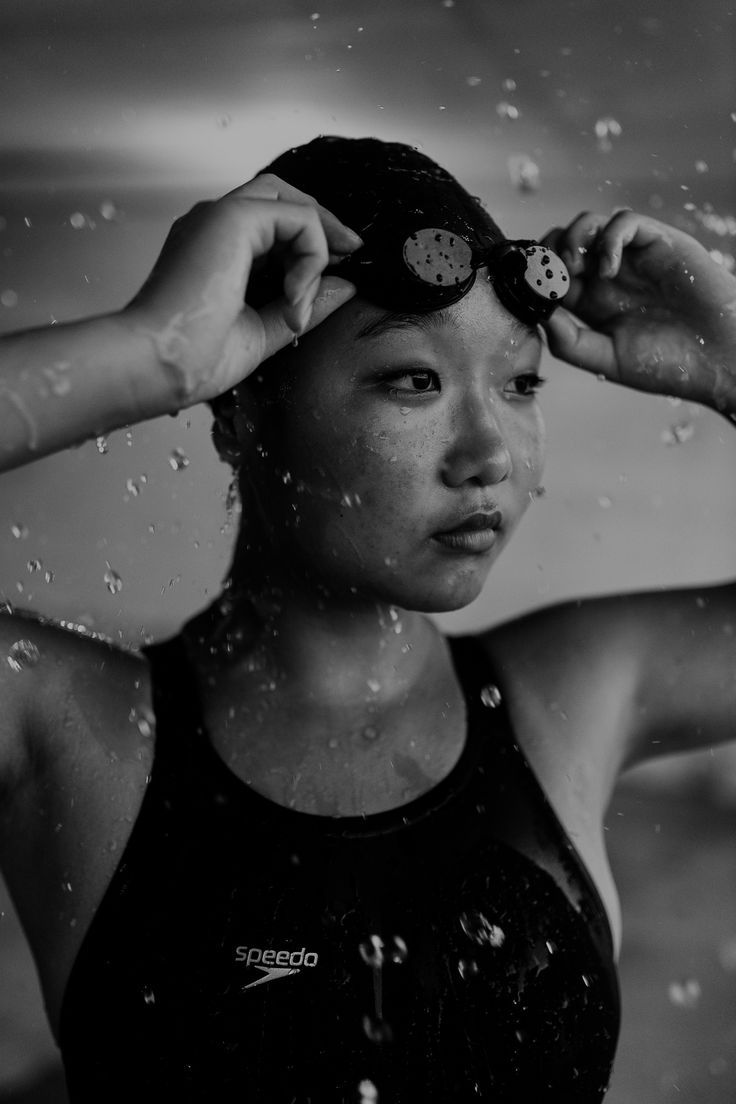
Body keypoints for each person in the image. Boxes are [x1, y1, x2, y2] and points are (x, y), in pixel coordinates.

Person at [0, 135, 734, 1103]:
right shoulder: (72, 730)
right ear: (241, 416)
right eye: (413, 382)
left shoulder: (576, 691)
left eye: (519, 385)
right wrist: (156, 352)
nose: (489, 453)